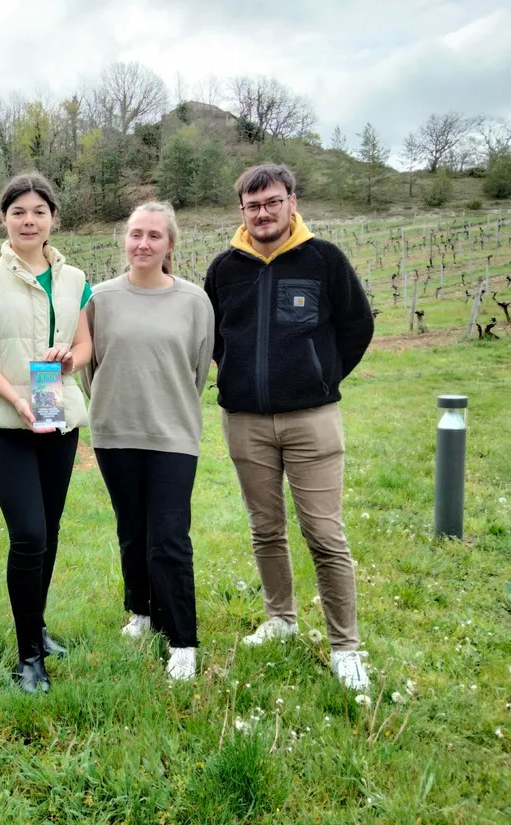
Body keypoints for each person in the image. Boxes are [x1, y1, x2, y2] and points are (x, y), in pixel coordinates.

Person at [203, 163, 374, 691]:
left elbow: (357, 326)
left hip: (312, 421)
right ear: (242, 211)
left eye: (272, 201)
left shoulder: (324, 260)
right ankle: (280, 618)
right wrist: (238, 380)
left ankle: (346, 647)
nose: (263, 212)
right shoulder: (223, 268)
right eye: (253, 205)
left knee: (324, 532)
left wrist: (319, 379)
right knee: (265, 528)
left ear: (292, 201)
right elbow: (212, 337)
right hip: (245, 422)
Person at [0, 173, 92, 694]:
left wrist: (69, 358)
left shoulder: (74, 278)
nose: (29, 220)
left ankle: (36, 625)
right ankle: (28, 655)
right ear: (4, 219)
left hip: (56, 415)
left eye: (38, 211)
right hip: (5, 421)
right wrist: (14, 397)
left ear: (53, 218)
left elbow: (85, 346)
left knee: (51, 530)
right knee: (29, 534)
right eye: (19, 211)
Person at [85, 201, 214, 682]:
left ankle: (182, 640)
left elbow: (198, 370)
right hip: (115, 432)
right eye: (136, 233)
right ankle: (140, 611)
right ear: (125, 239)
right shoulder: (98, 298)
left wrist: (170, 408)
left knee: (169, 536)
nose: (142, 243)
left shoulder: (194, 301)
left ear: (170, 245)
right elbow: (91, 368)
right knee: (132, 528)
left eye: (154, 236)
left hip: (173, 434)